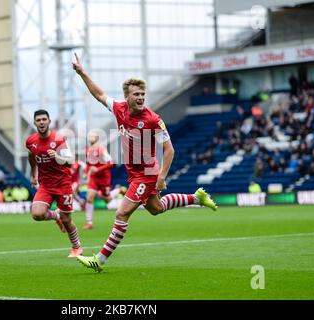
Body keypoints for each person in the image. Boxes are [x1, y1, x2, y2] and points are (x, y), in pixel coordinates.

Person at [72, 53, 217, 272]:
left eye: (143, 94)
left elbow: (169, 150)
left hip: (147, 174)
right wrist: (82, 73)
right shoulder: (119, 109)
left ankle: (99, 260)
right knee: (156, 208)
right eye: (136, 94)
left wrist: (161, 177)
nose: (141, 98)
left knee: (121, 214)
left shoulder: (152, 119)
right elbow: (99, 94)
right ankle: (196, 197)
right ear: (127, 97)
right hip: (135, 173)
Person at [25, 109, 83, 258]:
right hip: (45, 185)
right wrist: (33, 174)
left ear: (49, 121)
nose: (41, 122)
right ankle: (55, 216)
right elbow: (31, 155)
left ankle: (77, 247)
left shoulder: (58, 140)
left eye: (44, 119)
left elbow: (70, 163)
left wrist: (57, 156)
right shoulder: (31, 141)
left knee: (67, 220)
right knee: (37, 214)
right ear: (34, 123)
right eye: (38, 120)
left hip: (63, 184)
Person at [83, 130, 121, 230]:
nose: (90, 137)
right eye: (89, 136)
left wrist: (98, 169)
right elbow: (88, 164)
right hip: (94, 178)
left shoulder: (101, 149)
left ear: (96, 138)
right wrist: (86, 173)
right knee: (89, 198)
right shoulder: (87, 150)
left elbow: (110, 163)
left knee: (107, 199)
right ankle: (89, 222)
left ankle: (117, 191)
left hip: (104, 178)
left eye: (92, 136)